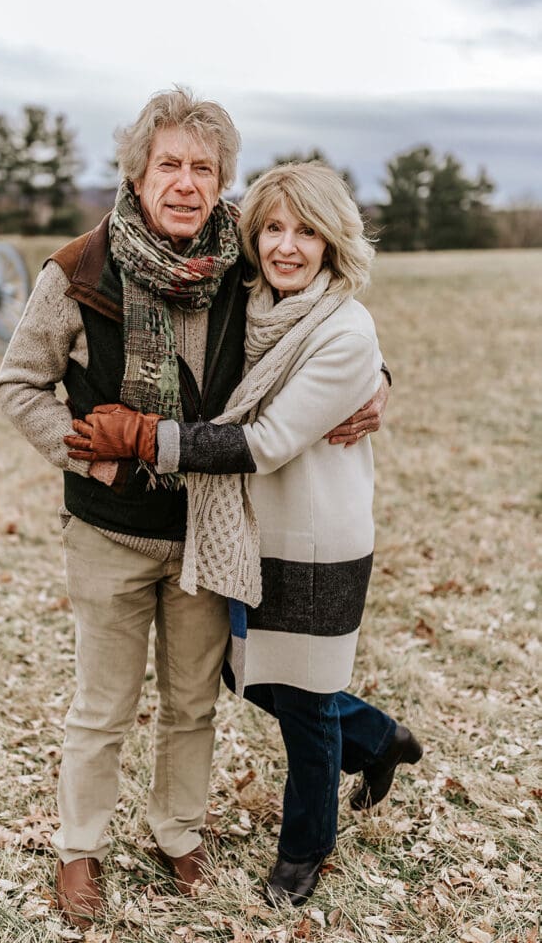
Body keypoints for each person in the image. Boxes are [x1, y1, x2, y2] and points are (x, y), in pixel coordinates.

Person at [0, 89, 389, 927]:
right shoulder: (74, 273)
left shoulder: (244, 258)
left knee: (191, 703)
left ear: (222, 182)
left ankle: (175, 831)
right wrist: (84, 459)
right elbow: (18, 384)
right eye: (167, 164)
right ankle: (79, 850)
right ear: (135, 175)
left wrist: (377, 383)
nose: (184, 182)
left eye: (202, 168)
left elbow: (314, 319)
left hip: (210, 531)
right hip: (107, 530)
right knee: (101, 706)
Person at [66, 160, 422, 909]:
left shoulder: (344, 331)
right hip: (243, 532)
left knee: (304, 697)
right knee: (242, 674)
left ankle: (304, 850)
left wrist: (144, 439)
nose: (287, 246)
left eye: (307, 232)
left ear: (333, 242)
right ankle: (379, 737)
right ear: (252, 234)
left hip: (315, 538)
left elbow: (263, 441)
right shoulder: (249, 298)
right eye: (273, 228)